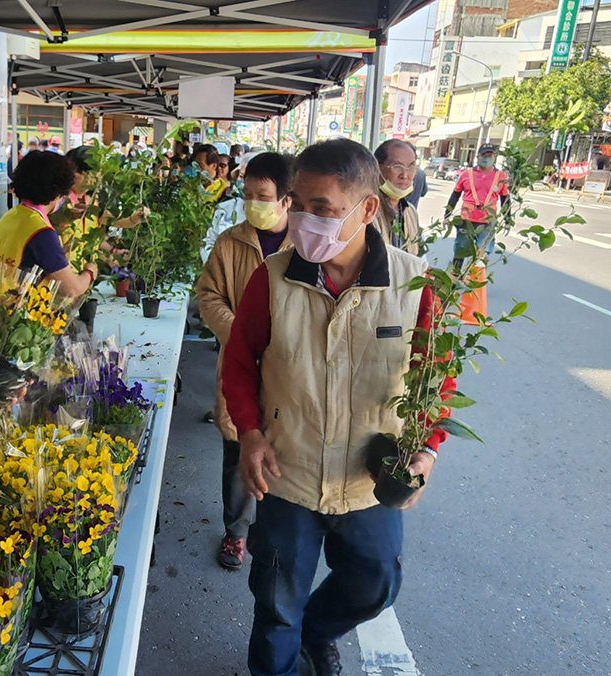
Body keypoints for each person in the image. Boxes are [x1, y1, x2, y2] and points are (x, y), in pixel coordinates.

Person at [221, 138, 453, 676]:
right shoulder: (273, 279)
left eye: (321, 208)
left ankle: (317, 632)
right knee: (276, 606)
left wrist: (428, 450)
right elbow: (238, 363)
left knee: (375, 584)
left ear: (367, 209)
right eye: (298, 204)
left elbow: (437, 377)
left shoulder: (415, 285)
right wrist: (250, 433)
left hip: (370, 479)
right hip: (288, 473)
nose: (303, 220)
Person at [195, 152, 294, 571]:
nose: (254, 202)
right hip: (240, 370)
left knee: (287, 454)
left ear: (287, 201)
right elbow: (208, 295)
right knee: (238, 452)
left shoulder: (306, 246)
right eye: (248, 194)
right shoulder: (230, 242)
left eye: (264, 195)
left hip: (291, 373)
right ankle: (236, 532)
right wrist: (241, 333)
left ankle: (278, 533)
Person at [0, 151, 96, 304]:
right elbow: (71, 289)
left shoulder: (11, 216)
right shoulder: (41, 232)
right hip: (10, 317)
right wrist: (90, 272)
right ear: (58, 192)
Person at [445, 143, 508, 266]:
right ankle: (454, 279)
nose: (487, 158)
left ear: (495, 157)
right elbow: (455, 196)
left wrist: (508, 219)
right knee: (460, 252)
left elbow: (505, 198)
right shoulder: (466, 174)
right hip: (466, 220)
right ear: (478, 156)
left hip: (487, 222)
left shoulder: (500, 176)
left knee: (481, 257)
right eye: (484, 155)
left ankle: (476, 283)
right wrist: (447, 215)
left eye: (490, 155)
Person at [371, 139, 422, 255]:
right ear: (377, 168)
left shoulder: (410, 211)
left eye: (411, 167)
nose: (405, 175)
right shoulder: (366, 211)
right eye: (397, 166)